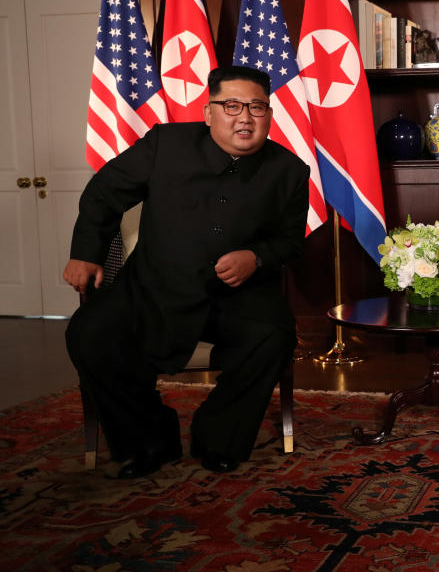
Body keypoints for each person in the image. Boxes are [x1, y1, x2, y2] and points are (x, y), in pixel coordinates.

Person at [64, 66, 309, 478]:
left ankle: (218, 438)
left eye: (256, 107)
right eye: (231, 105)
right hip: (155, 284)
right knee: (90, 333)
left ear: (270, 114)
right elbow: (104, 193)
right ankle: (148, 440)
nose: (244, 117)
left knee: (274, 335)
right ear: (209, 111)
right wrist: (86, 253)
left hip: (238, 294)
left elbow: (290, 240)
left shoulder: (290, 170)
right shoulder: (165, 144)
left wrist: (257, 256)